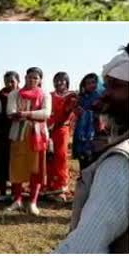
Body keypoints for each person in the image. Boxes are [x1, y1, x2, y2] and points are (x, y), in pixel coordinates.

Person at [54, 48, 129, 254]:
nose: (102, 97)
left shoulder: (119, 163)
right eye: (105, 86)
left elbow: (84, 247)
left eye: (114, 86)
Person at [6, 67, 52, 216]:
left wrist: (25, 114)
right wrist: (33, 115)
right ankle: (17, 199)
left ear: (40, 80)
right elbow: (10, 112)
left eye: (35, 78)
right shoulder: (14, 94)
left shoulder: (45, 94)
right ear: (25, 77)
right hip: (18, 134)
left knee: (36, 169)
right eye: (29, 77)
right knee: (17, 166)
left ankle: (33, 202)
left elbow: (46, 113)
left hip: (38, 135)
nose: (32, 80)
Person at [46, 72, 78, 201]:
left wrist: (55, 125)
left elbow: (67, 113)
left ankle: (61, 188)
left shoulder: (71, 96)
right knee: (48, 157)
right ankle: (49, 187)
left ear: (67, 82)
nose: (58, 83)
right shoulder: (49, 95)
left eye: (62, 80)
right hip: (47, 130)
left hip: (61, 129)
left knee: (61, 157)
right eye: (56, 80)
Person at [0, 71, 19, 201]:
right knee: (2, 164)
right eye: (6, 81)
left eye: (12, 81)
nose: (9, 84)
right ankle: (2, 192)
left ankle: (16, 193)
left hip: (18, 134)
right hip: (2, 135)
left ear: (18, 82)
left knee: (16, 164)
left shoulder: (22, 95)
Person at [73, 73, 103, 170]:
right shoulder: (81, 98)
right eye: (88, 83)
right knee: (83, 162)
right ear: (84, 85)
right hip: (82, 132)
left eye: (93, 82)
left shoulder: (101, 97)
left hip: (96, 131)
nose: (91, 85)